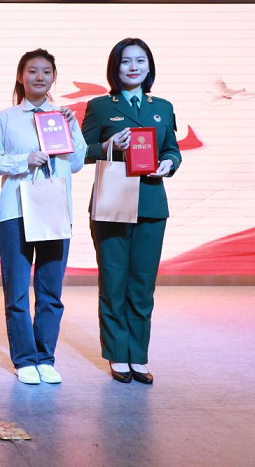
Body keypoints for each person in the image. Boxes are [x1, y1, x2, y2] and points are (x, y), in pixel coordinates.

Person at [81, 38, 181, 385]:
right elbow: (81, 151)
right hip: (112, 203)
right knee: (113, 281)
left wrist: (169, 164)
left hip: (151, 204)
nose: (133, 67)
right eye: (126, 61)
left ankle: (138, 355)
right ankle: (117, 353)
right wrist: (107, 145)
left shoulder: (163, 107)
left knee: (142, 284)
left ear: (149, 66)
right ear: (115, 67)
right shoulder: (99, 106)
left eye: (140, 61)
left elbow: (172, 150)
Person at [0, 49, 86, 385]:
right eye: (32, 71)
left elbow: (76, 163)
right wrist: (24, 160)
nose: (39, 77)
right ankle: (24, 359)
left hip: (55, 210)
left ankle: (45, 356)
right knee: (17, 291)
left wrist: (72, 127)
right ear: (21, 76)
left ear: (53, 77)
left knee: (50, 291)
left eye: (46, 71)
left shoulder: (62, 117)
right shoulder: (6, 118)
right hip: (15, 211)